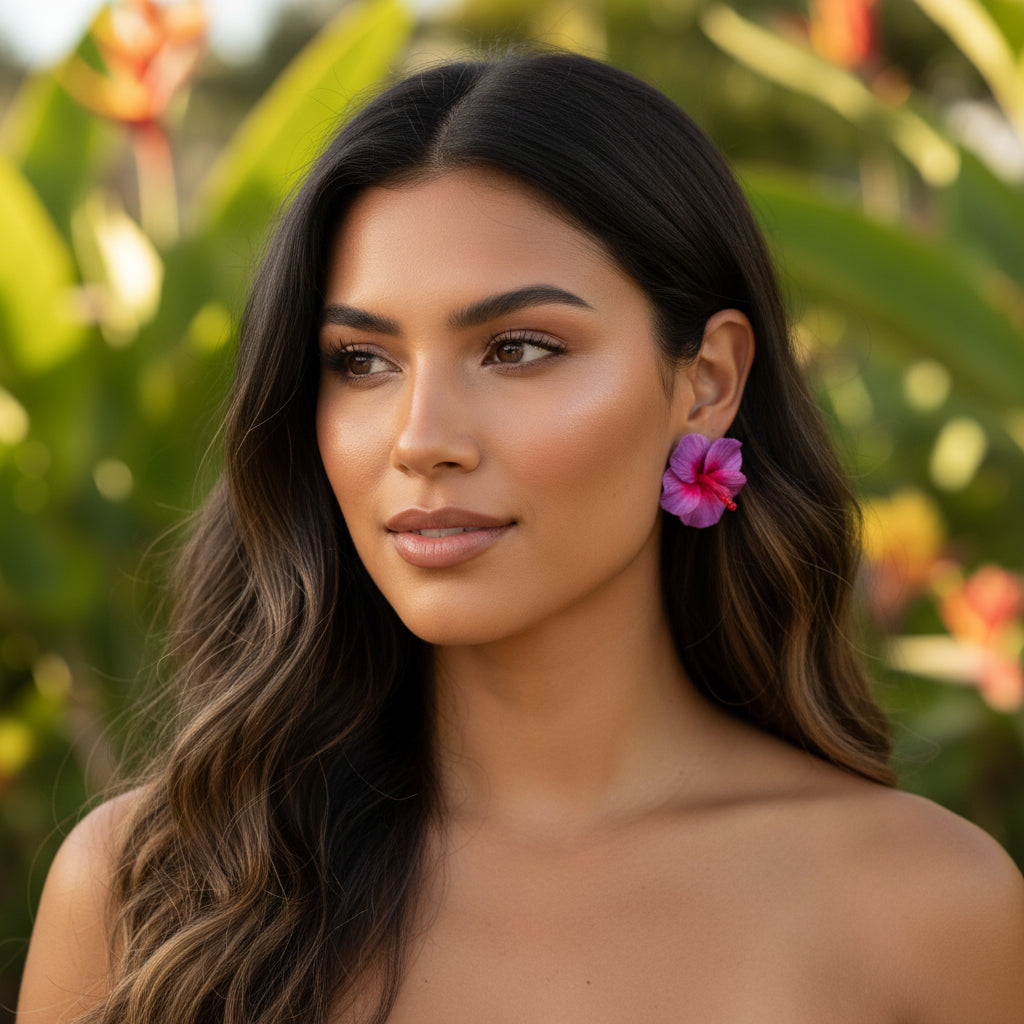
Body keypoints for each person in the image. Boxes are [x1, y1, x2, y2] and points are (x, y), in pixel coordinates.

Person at [17, 51, 1024, 1024]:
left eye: (518, 349)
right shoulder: (148, 894)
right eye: (362, 361)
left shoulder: (927, 910)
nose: (422, 440)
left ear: (706, 381)